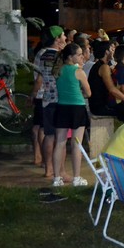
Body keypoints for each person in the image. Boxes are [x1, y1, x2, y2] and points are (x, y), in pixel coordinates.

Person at [51, 42, 91, 187]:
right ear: (70, 57)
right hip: (77, 108)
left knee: (59, 143)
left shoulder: (59, 70)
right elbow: (88, 93)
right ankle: (76, 178)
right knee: (76, 144)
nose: (82, 57)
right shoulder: (79, 72)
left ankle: (57, 178)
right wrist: (80, 93)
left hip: (62, 107)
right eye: (79, 55)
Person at [30, 25, 67, 180]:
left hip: (46, 99)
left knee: (49, 134)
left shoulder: (43, 55)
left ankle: (48, 169)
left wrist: (33, 95)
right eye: (63, 35)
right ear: (57, 39)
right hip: (60, 99)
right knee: (61, 138)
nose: (65, 38)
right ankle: (61, 171)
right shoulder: (60, 57)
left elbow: (39, 78)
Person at [88, 40, 124, 122]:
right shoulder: (104, 67)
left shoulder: (103, 65)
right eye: (112, 49)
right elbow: (112, 89)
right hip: (101, 106)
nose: (114, 52)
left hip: (103, 104)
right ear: (107, 52)